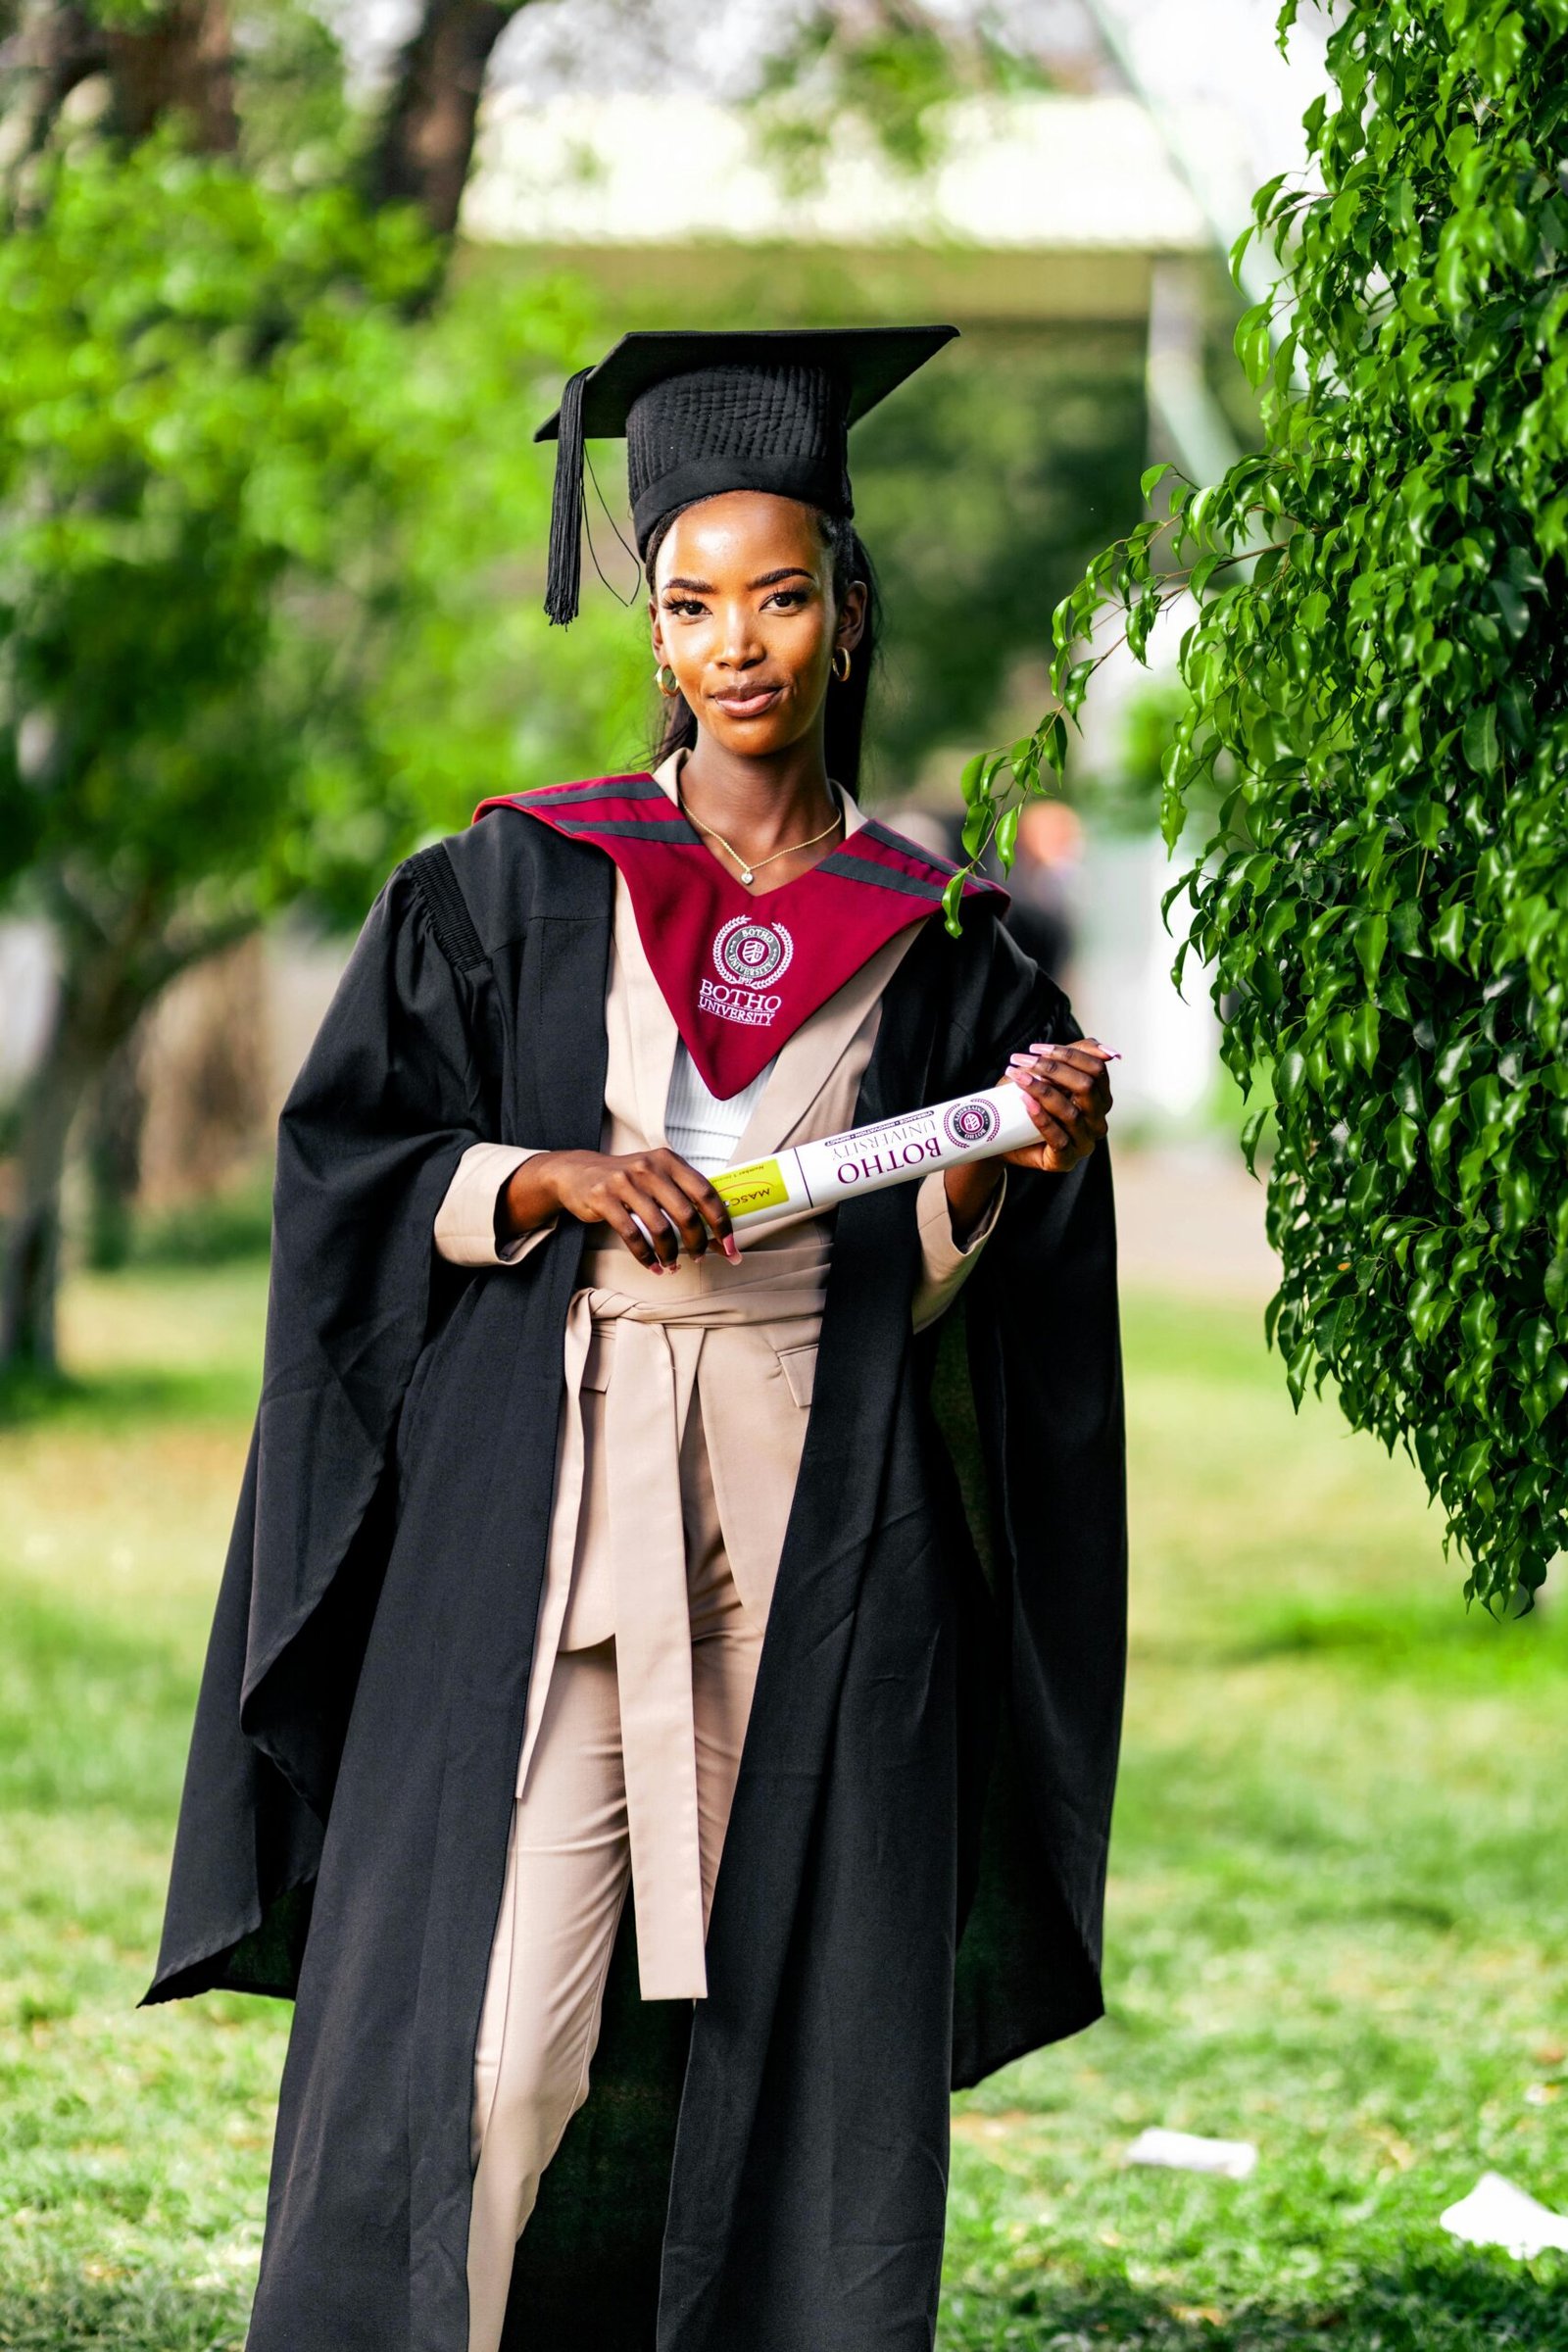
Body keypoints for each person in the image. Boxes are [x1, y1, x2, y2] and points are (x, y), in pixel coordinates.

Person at [146, 325, 1127, 2352]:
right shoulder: (513, 880)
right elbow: (355, 1160)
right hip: (563, 1499)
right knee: (495, 2053)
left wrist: (997, 1167)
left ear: (844, 614)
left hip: (820, 1515)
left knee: (802, 2030)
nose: (735, 644)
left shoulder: (944, 939)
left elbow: (943, 1290)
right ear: (651, 626)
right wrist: (540, 1176)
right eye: (691, 603)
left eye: (778, 596)